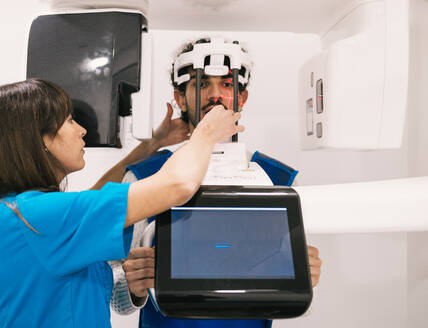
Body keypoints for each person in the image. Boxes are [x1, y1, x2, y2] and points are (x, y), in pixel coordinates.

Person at [0, 78, 243, 328]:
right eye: (70, 120)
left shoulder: (11, 214)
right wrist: (206, 134)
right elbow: (178, 185)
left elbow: (95, 199)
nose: (82, 130)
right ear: (39, 140)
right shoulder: (41, 218)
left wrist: (152, 144)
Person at [110, 37, 323, 328]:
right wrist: (133, 288)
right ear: (181, 97)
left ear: (242, 97)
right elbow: (117, 299)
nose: (215, 95)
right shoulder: (143, 177)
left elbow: (295, 300)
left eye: (226, 84)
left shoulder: (280, 181)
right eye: (201, 84)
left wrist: (307, 280)